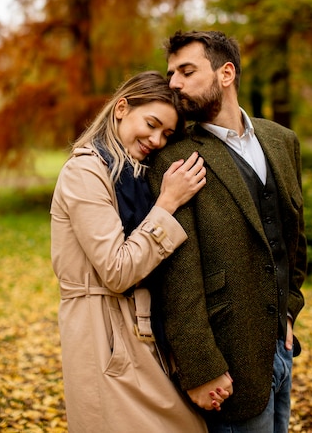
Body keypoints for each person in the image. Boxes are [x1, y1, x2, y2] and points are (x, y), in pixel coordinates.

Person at [147, 31, 307, 433]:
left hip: (281, 349)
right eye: (171, 74)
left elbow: (293, 241)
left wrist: (289, 309)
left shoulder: (282, 140)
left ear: (226, 73)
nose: (174, 85)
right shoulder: (175, 158)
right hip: (226, 368)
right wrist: (201, 369)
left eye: (187, 71)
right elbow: (177, 279)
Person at [50, 71, 212, 433]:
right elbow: (118, 270)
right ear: (122, 108)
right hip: (102, 334)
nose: (156, 140)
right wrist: (168, 203)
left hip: (140, 330)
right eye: (151, 124)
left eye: (167, 134)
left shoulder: (133, 174)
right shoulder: (85, 172)